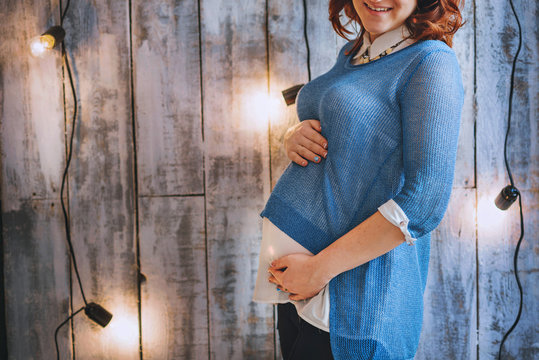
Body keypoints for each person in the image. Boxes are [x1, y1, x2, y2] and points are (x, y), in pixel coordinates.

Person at [253, 0, 466, 359]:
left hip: (352, 299)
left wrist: (319, 270)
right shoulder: (354, 52)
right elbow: (355, 141)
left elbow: (424, 201)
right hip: (298, 288)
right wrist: (295, 134)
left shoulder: (430, 62)